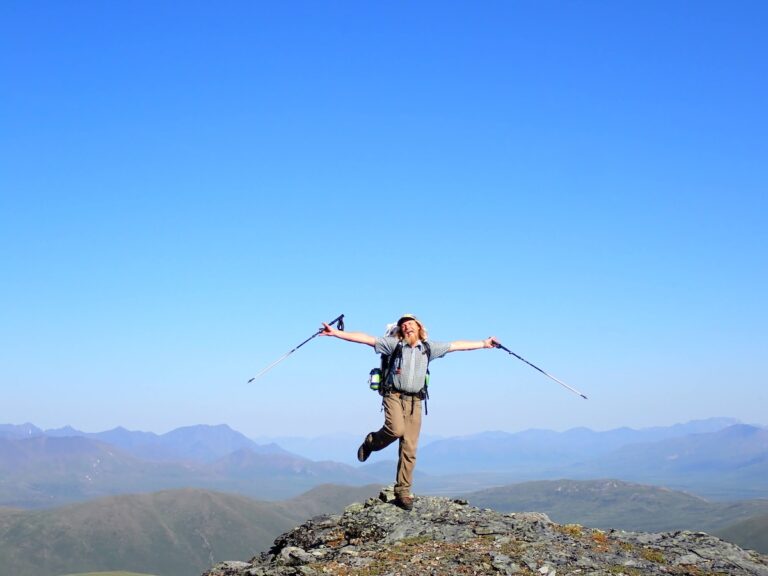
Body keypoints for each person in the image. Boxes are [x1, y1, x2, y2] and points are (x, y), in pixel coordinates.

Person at [321, 313, 497, 511]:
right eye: (403, 325)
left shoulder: (429, 348)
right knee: (395, 430)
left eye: (410, 324)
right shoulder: (393, 345)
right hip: (393, 395)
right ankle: (371, 442)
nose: (407, 327)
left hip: (416, 401)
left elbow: (456, 345)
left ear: (419, 328)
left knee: (410, 447)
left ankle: (403, 491)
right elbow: (366, 339)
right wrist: (335, 333)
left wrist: (484, 343)